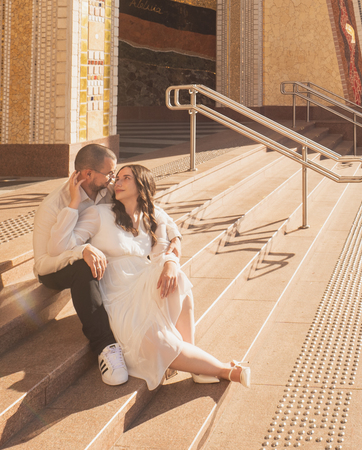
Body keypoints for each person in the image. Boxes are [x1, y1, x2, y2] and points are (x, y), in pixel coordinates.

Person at [51, 163, 251, 391]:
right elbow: (59, 246)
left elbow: (164, 246)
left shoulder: (151, 216)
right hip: (117, 292)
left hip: (144, 281)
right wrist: (76, 211)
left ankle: (198, 364)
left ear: (141, 185)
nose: (117, 182)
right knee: (156, 340)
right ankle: (222, 369)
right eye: (117, 178)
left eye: (126, 178)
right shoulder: (99, 214)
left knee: (177, 279)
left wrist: (171, 263)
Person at [32, 143, 128, 385]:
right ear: (87, 174)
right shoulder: (53, 204)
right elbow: (46, 259)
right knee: (84, 268)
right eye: (109, 173)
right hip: (54, 270)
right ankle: (106, 347)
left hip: (97, 261)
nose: (113, 178)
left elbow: (145, 208)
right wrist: (81, 251)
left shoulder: (107, 192)